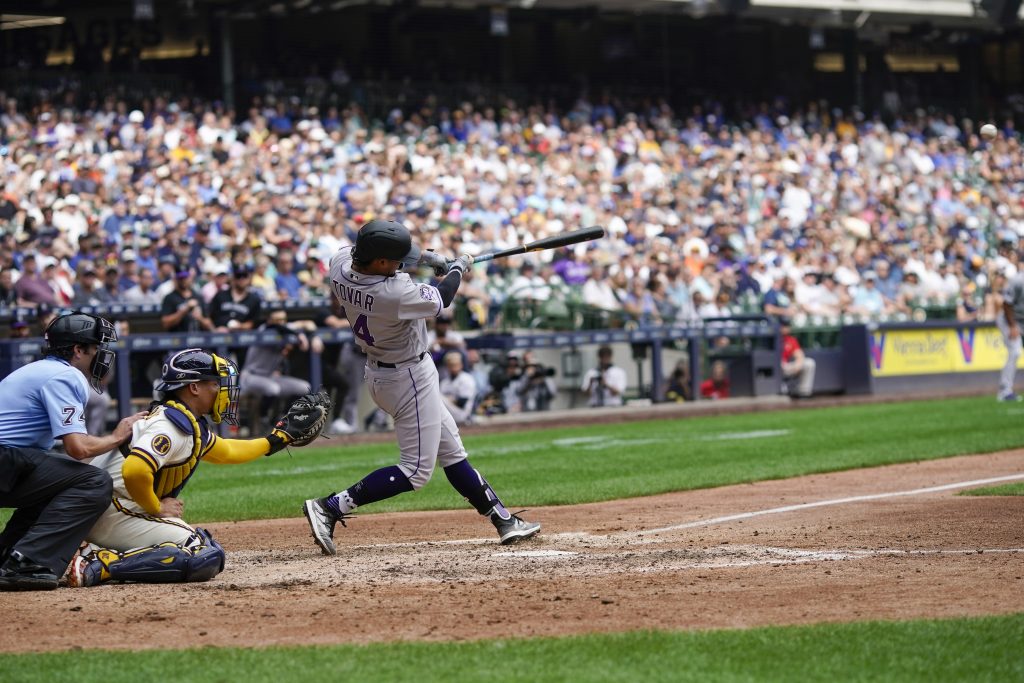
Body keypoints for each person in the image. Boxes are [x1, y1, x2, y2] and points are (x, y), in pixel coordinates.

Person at [303, 219, 540, 553]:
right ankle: (330, 506)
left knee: (452, 452)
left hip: (384, 372)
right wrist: (458, 268)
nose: (401, 264)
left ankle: (503, 520)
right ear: (381, 262)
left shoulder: (340, 264)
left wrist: (428, 258)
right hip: (407, 375)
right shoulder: (392, 292)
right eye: (395, 260)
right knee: (415, 471)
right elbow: (442, 299)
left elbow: (388, 257)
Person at [66, 349, 329, 587]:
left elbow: (226, 451)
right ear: (193, 388)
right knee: (203, 554)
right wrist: (156, 508)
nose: (221, 389)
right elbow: (135, 470)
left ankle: (92, 552)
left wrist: (276, 440)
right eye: (214, 383)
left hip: (106, 508)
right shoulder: (170, 425)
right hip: (111, 509)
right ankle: (99, 564)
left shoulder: (184, 419)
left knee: (203, 546)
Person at [0, 312, 145, 590]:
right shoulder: (66, 375)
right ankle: (27, 562)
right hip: (5, 459)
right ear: (78, 350)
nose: (101, 355)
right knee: (94, 481)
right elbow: (78, 448)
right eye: (96, 348)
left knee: (60, 480)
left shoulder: (41, 369)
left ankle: (9, 555)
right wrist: (117, 436)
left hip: (9, 459)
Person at [209, 263, 262, 331]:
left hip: (243, 338)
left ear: (249, 278)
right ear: (233, 278)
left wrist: (240, 326)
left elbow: (253, 322)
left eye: (244, 276)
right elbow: (210, 317)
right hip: (218, 337)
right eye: (238, 276)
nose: (241, 279)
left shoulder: (254, 299)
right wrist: (214, 330)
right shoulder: (220, 295)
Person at [997, 270, 1024, 401]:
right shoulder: (1019, 280)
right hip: (1009, 319)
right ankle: (1005, 391)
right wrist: (1013, 326)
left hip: (1022, 319)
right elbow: (1006, 304)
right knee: (1015, 351)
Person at [779, 318, 816, 399]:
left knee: (809, 363)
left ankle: (803, 392)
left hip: (787, 367)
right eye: (784, 326)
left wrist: (798, 364)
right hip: (776, 366)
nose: (786, 328)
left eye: (787, 326)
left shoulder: (791, 340)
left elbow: (799, 354)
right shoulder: (773, 338)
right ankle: (781, 388)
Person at [439, 351, 477, 425]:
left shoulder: (466, 379)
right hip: (447, 412)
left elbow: (462, 402)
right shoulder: (444, 382)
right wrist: (450, 399)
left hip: (462, 413)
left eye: (456, 364)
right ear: (447, 366)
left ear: (461, 365)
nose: (454, 367)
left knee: (437, 397)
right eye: (451, 365)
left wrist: (449, 399)